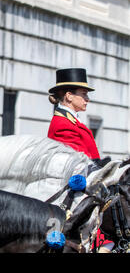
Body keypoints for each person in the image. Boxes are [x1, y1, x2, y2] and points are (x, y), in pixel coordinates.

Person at [47, 68, 114, 252]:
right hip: (74, 193)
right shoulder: (62, 124)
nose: (87, 99)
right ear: (69, 96)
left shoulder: (73, 121)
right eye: (83, 94)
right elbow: (79, 163)